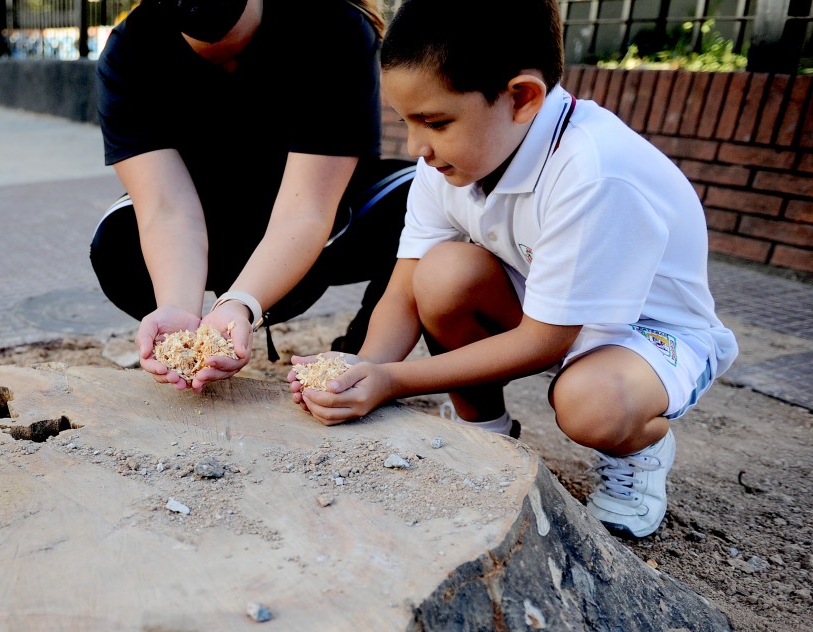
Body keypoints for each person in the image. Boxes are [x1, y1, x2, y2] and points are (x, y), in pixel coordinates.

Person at [289, 0, 738, 540]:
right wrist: (356, 372)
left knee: (590, 406)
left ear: (522, 98)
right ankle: (484, 433)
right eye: (406, 122)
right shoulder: (448, 161)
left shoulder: (594, 172)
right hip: (544, 310)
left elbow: (545, 342)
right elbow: (404, 290)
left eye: (435, 121)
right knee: (441, 275)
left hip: (650, 337)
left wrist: (390, 381)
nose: (417, 147)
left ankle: (640, 449)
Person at [88, 0, 413, 393]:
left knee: (427, 197)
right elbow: (167, 207)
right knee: (116, 239)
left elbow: (306, 209)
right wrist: (178, 310)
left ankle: (360, 353)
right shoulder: (129, 49)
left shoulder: (331, 25)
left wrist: (242, 301)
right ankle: (188, 328)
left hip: (318, 220)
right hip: (207, 219)